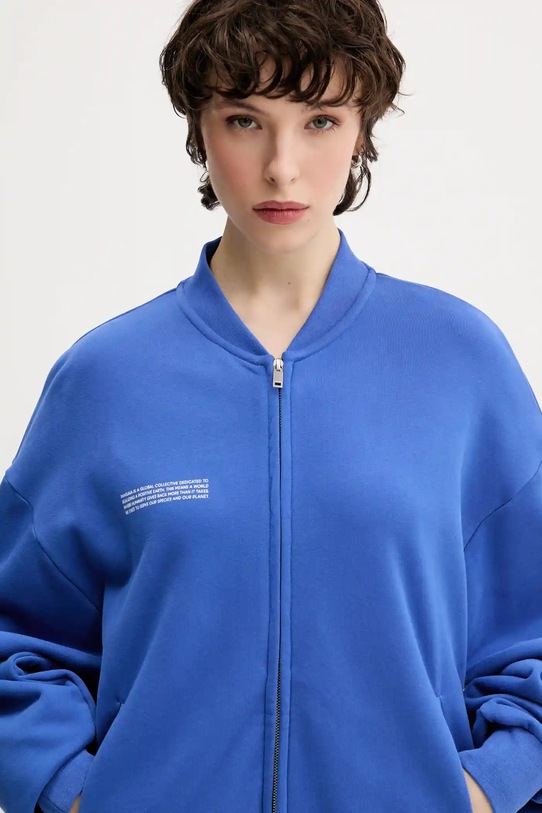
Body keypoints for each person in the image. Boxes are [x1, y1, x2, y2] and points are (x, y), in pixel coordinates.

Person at [1, 0, 542, 811]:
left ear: (362, 129)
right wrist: (77, 795)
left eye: (320, 121)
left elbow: (532, 629)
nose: (283, 167)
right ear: (201, 128)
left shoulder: (461, 362)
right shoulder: (106, 379)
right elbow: (16, 637)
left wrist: (482, 788)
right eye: (245, 120)